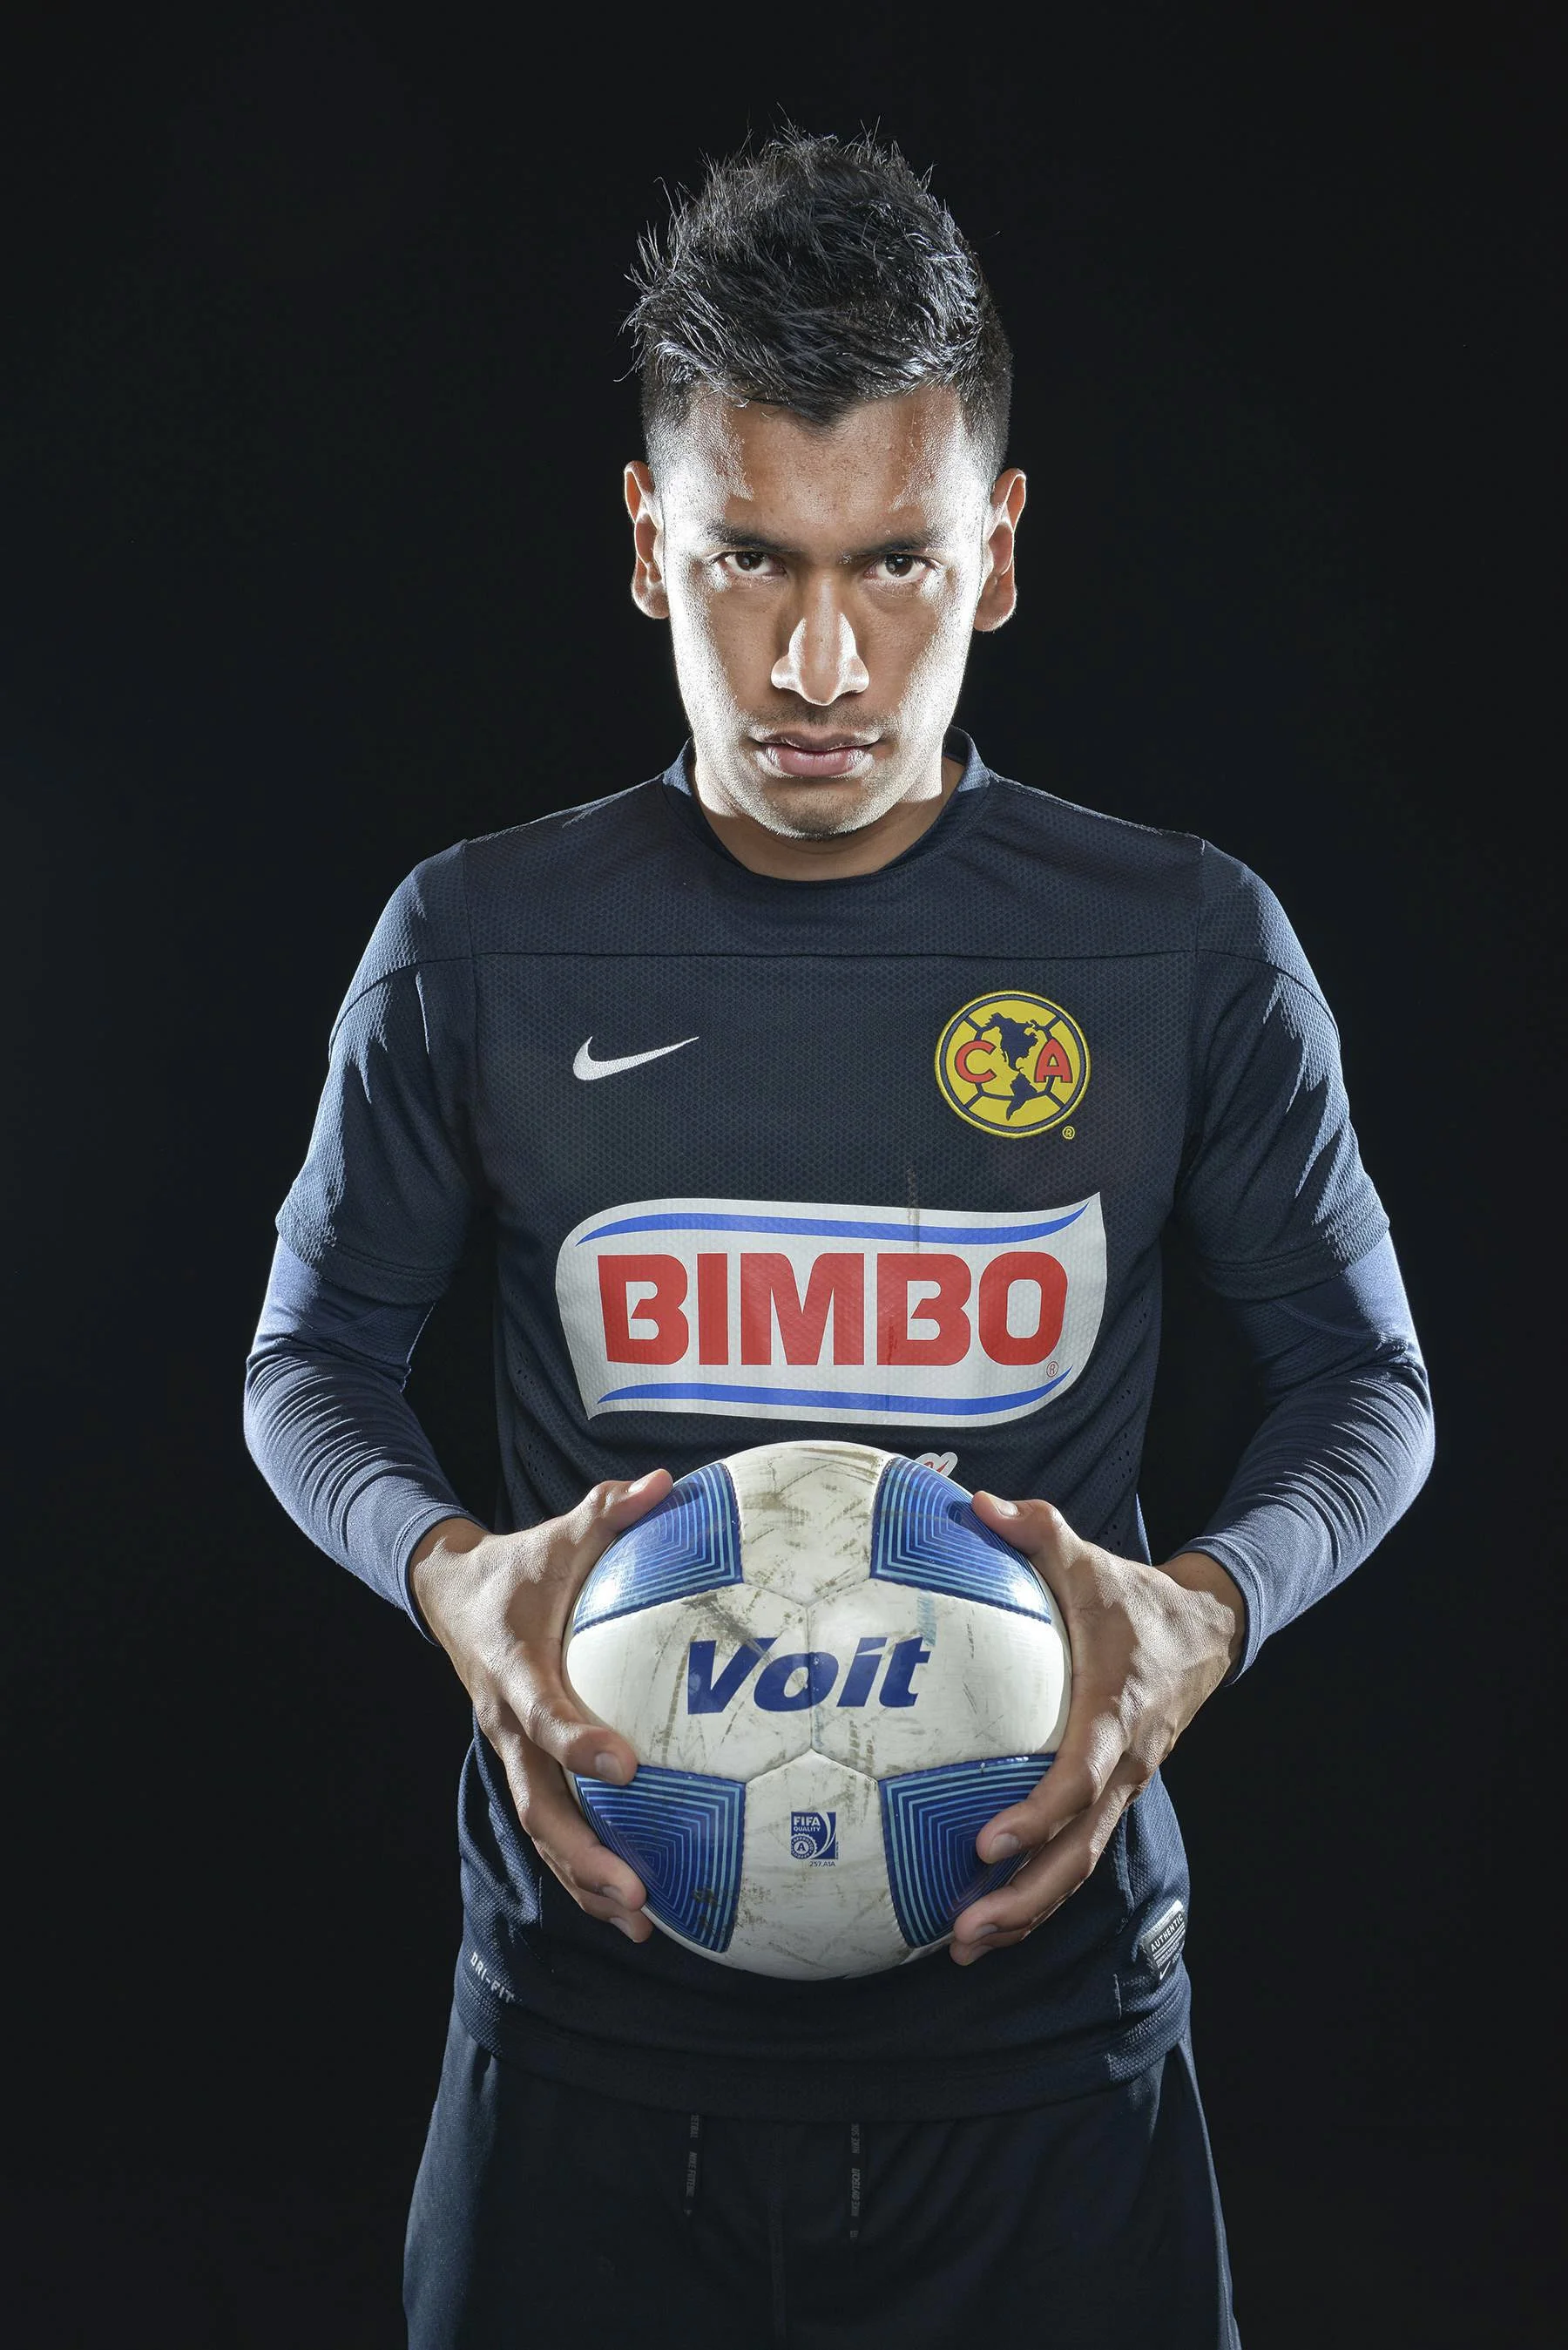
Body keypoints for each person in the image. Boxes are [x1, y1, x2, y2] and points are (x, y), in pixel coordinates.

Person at [245, 132, 1434, 2348]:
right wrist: (450, 1576)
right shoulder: (479, 946)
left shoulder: (1182, 949)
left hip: (1049, 2073)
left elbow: (1367, 1382)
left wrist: (1207, 1610)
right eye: (743, 562)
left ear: (996, 552)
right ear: (642, 546)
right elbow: (309, 1361)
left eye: (891, 562)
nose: (814, 658)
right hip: (588, 2072)